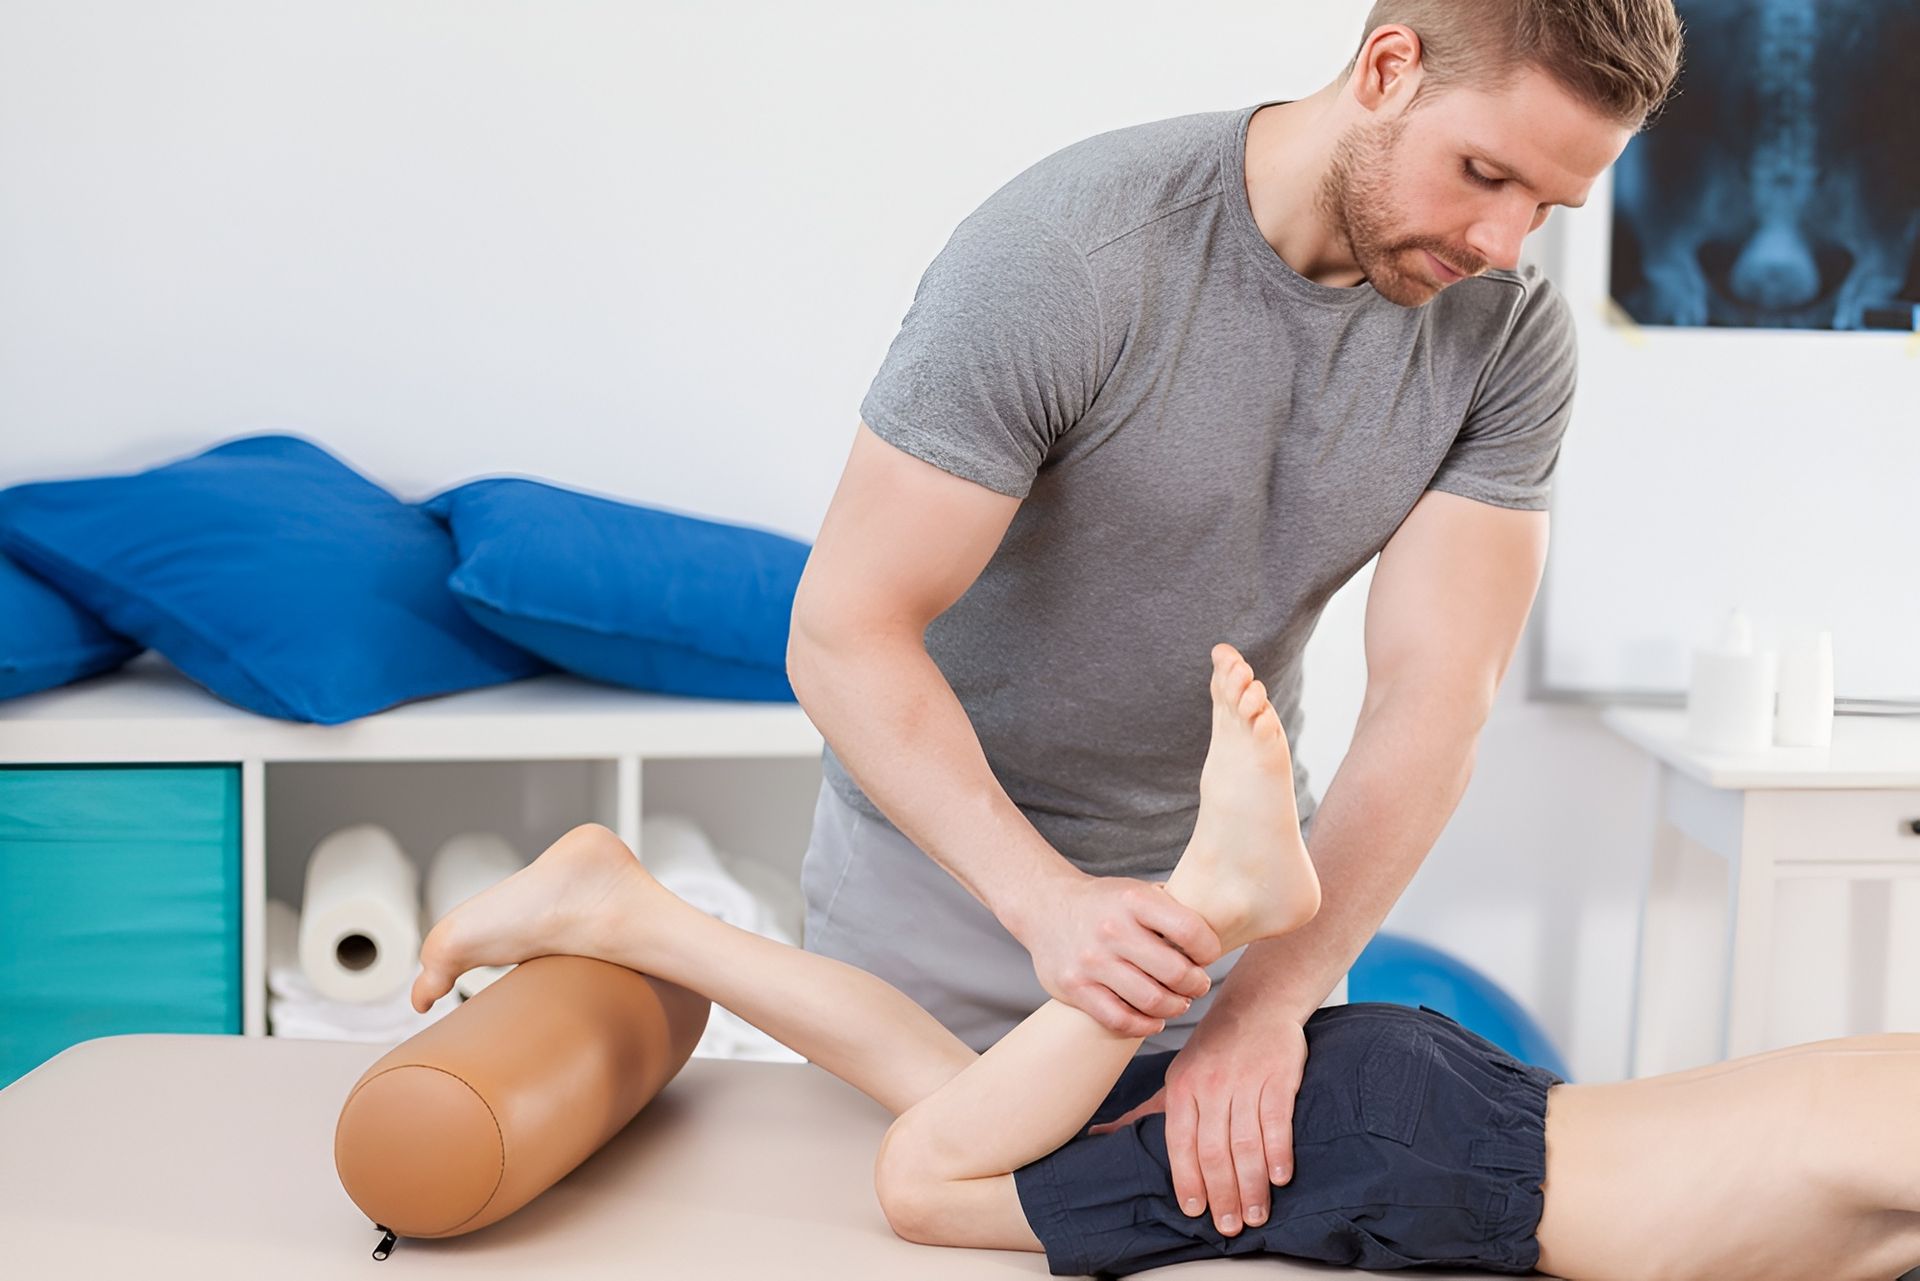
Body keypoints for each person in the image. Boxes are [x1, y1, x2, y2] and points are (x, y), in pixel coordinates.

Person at [782, 0, 1686, 1242]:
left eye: (1547, 206)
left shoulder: (1506, 333)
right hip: (953, 886)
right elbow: (844, 629)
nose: (1501, 241)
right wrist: (1045, 902)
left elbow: (1435, 696)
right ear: (1388, 68)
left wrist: (1269, 1000)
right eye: (1485, 173)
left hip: (1237, 927)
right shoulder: (1073, 254)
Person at [409, 643, 1920, 1280]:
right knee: (926, 1182)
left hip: (1425, 1114)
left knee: (956, 1095)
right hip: (1421, 1164)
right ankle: (1211, 896)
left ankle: (629, 911)